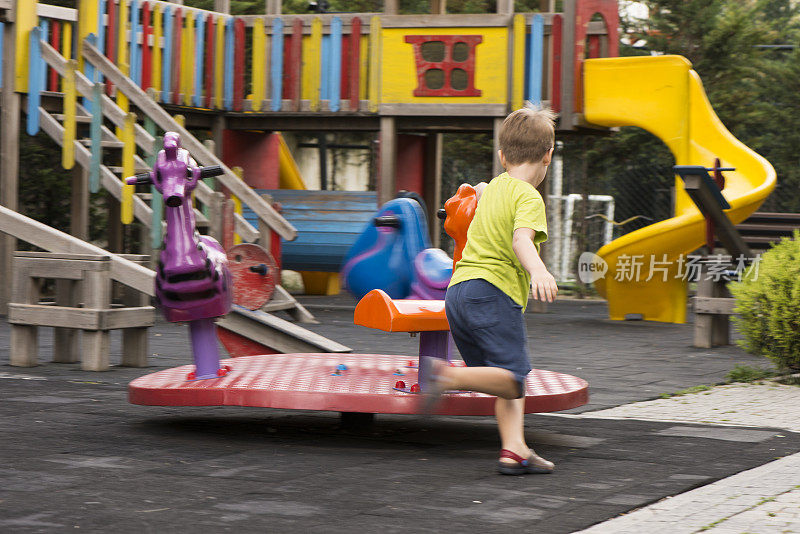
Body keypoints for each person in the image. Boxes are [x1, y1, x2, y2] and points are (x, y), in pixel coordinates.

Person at [426, 106, 559, 476]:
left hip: (459, 293)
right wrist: (539, 270)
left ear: (503, 156)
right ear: (548, 154)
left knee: (503, 379)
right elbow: (521, 240)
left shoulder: (496, 185)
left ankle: (514, 450)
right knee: (513, 378)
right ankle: (445, 376)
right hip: (491, 294)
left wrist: (482, 188)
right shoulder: (529, 197)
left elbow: (481, 189)